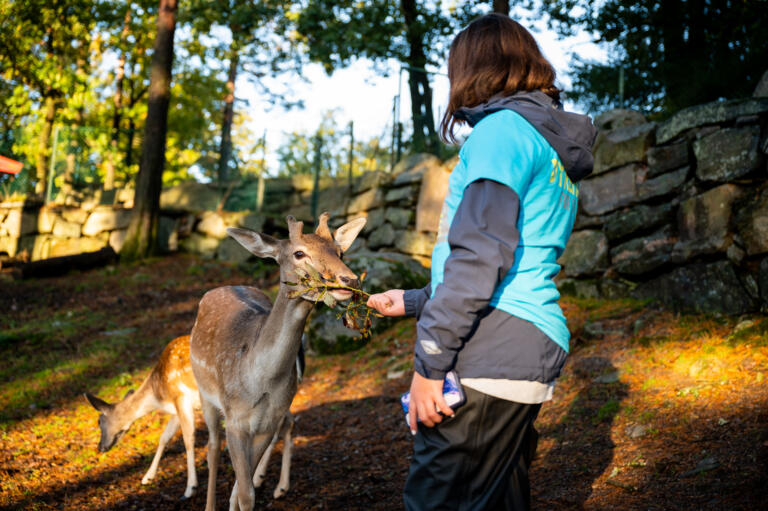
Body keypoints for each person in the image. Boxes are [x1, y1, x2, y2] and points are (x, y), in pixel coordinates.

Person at [366, 13, 597, 511]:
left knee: (437, 501)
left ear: (473, 69)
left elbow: (479, 257)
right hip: (528, 343)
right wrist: (411, 301)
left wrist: (429, 366)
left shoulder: (500, 133)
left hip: (489, 349)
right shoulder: (546, 146)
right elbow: (508, 259)